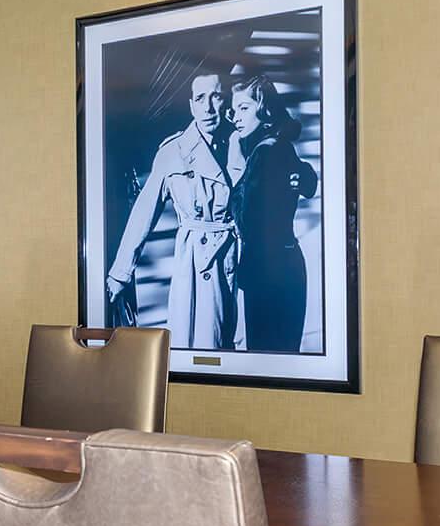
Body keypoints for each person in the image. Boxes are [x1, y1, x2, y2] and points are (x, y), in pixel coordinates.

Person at [105, 64, 238, 350]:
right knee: (203, 349)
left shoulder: (242, 142)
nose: (209, 108)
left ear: (225, 99)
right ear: (191, 106)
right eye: (200, 99)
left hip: (241, 263)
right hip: (196, 263)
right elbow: (143, 214)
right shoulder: (173, 152)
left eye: (216, 97)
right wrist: (120, 274)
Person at [226, 70, 315, 353]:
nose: (236, 117)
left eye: (244, 108)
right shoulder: (280, 146)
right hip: (284, 267)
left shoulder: (263, 152)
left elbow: (244, 220)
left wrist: (235, 162)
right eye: (233, 110)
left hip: (269, 275)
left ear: (263, 110)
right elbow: (306, 181)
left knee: (267, 364)